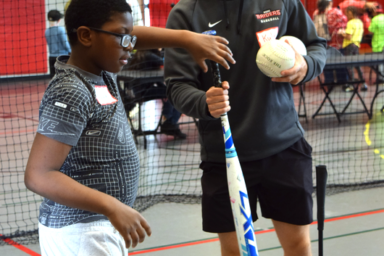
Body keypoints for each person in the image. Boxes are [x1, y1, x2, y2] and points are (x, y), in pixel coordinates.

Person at [24, 0, 235, 255]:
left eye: (130, 37)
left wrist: (188, 39)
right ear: (86, 35)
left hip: (100, 225)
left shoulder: (101, 70)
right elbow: (39, 175)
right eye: (123, 38)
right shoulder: (71, 90)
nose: (131, 47)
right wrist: (111, 206)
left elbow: (130, 34)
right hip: (80, 232)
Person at [164, 0, 326, 255]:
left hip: (284, 147)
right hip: (224, 155)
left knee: (298, 246)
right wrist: (204, 101)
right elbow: (177, 85)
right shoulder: (186, 13)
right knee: (235, 250)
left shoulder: (282, 2)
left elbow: (316, 46)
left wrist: (306, 66)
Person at [127, 49, 187, 139]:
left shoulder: (141, 54)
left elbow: (155, 79)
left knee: (171, 92)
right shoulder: (149, 55)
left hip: (140, 91)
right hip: (143, 92)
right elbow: (167, 62)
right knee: (175, 92)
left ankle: (169, 121)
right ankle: (169, 122)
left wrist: (165, 89)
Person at [340, 6, 368, 91]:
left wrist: (341, 33)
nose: (346, 15)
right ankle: (364, 84)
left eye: (348, 13)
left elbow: (348, 37)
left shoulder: (350, 23)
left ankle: (351, 85)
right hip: (356, 45)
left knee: (349, 65)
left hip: (349, 45)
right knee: (358, 65)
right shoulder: (359, 22)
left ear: (353, 13)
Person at [45, 10, 71, 78]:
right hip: (61, 58)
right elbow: (65, 44)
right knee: (64, 78)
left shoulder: (47, 31)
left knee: (53, 78)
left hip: (51, 58)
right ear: (59, 20)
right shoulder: (61, 29)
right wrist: (71, 51)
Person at [368, 4, 384, 81]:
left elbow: (371, 31)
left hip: (378, 44)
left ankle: (381, 77)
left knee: (379, 62)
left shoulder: (375, 19)